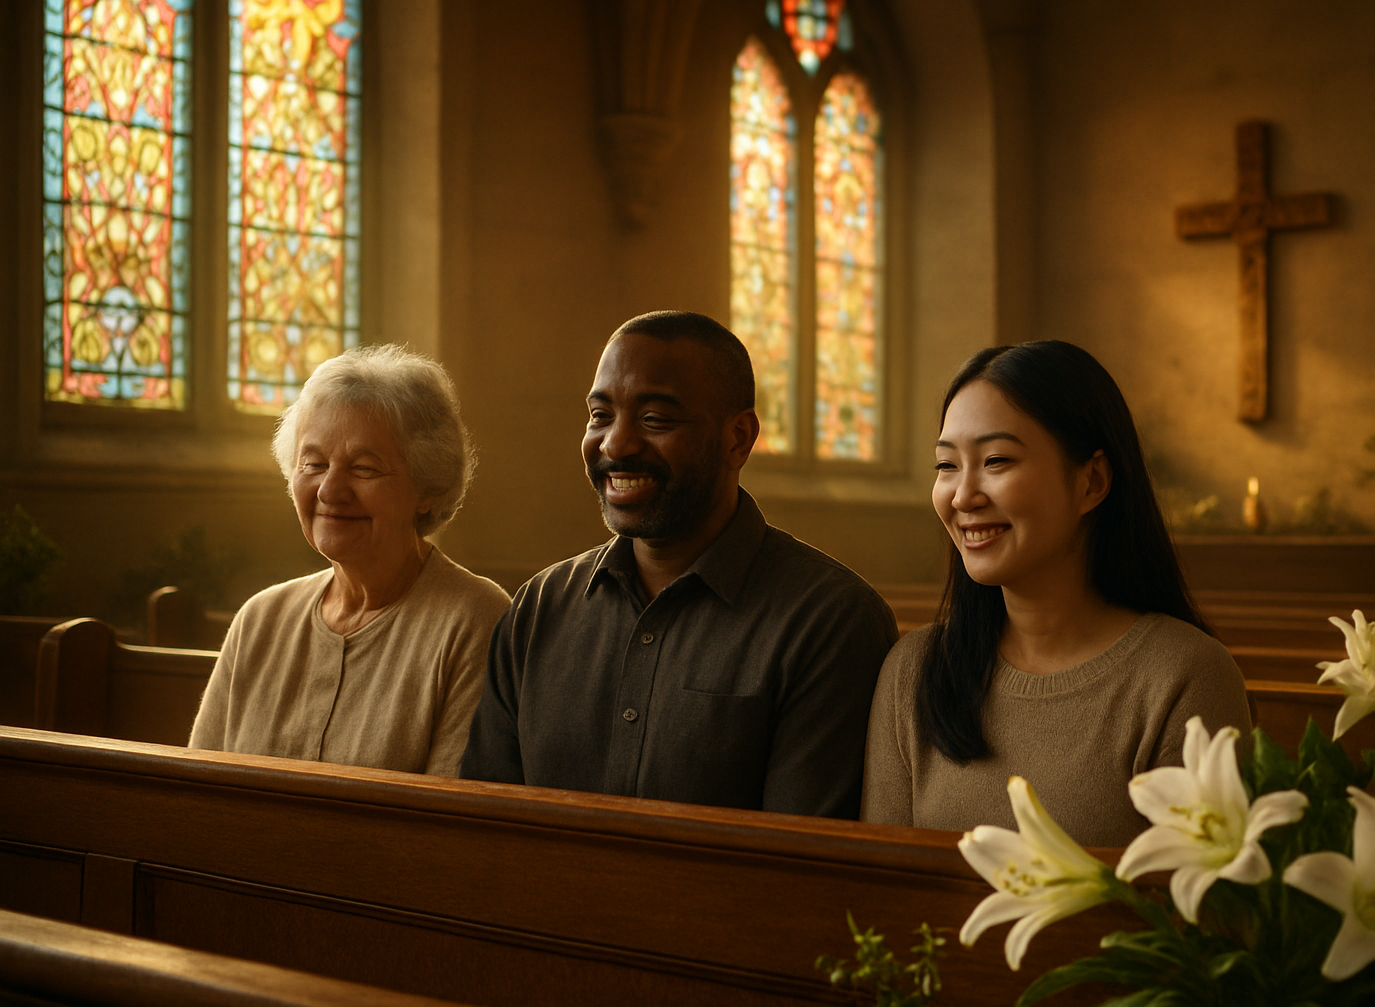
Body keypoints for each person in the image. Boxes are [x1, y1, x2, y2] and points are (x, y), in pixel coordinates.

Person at [460, 311, 897, 818]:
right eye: (600, 416)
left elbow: (799, 867)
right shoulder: (540, 607)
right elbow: (486, 821)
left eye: (655, 421)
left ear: (738, 438)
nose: (616, 444)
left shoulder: (829, 620)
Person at [861, 341, 1249, 846]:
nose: (962, 496)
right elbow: (879, 890)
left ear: (1092, 482)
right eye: (946, 465)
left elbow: (1197, 913)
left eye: (996, 460)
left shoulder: (1184, 678)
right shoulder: (914, 671)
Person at [189, 346, 511, 776]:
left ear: (427, 487)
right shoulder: (260, 619)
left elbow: (445, 825)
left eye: (363, 468)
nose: (329, 490)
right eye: (314, 463)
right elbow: (197, 790)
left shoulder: (475, 619)